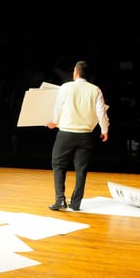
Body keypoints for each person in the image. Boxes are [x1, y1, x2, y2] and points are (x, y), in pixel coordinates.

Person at [45, 60, 109, 211]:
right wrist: (104, 130)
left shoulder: (66, 87)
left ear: (76, 72)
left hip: (66, 133)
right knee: (81, 169)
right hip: (85, 135)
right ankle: (75, 203)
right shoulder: (95, 90)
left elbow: (58, 107)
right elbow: (101, 112)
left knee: (58, 165)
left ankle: (60, 199)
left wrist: (54, 121)